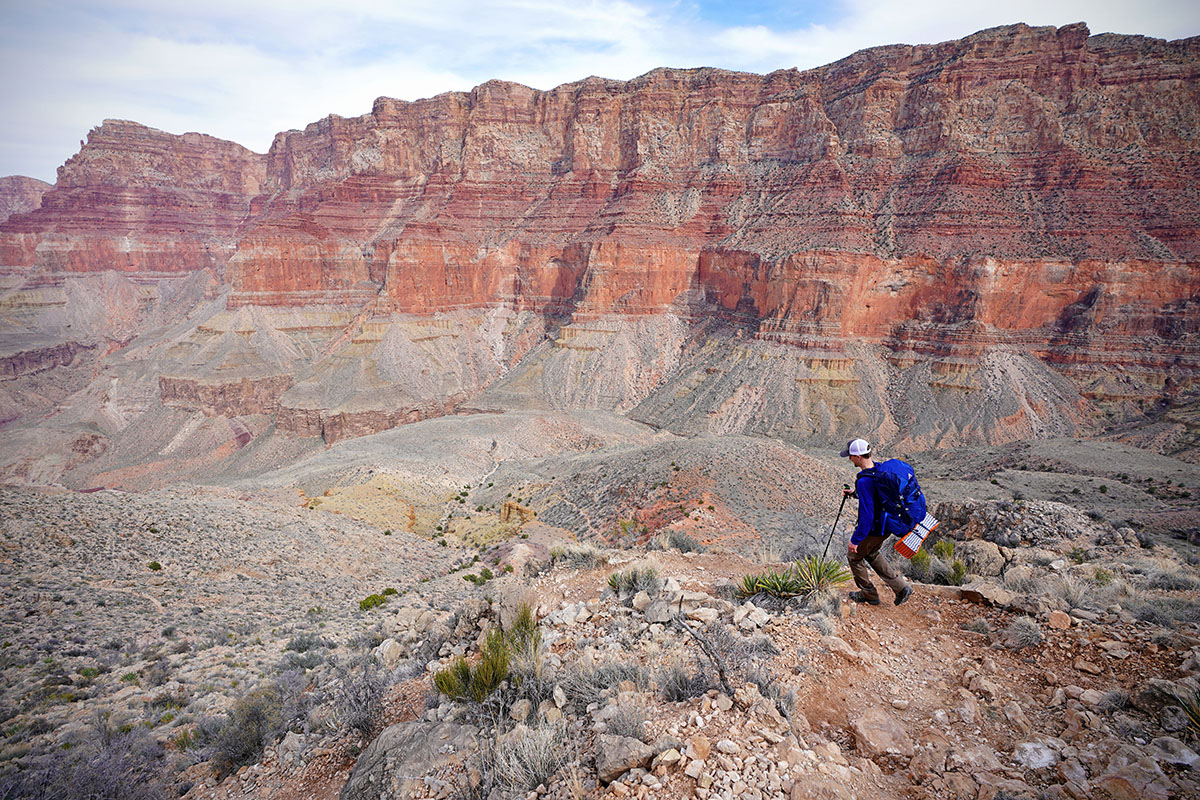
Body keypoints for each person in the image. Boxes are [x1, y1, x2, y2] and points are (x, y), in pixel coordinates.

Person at [840, 438, 914, 606]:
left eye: (850, 456)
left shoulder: (865, 481)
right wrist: (855, 493)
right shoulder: (879, 469)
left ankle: (869, 595)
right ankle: (901, 588)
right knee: (872, 553)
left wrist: (855, 540)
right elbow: (877, 496)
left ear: (858, 457)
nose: (849, 459)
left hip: (873, 527)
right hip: (886, 525)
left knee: (854, 556)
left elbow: (867, 516)